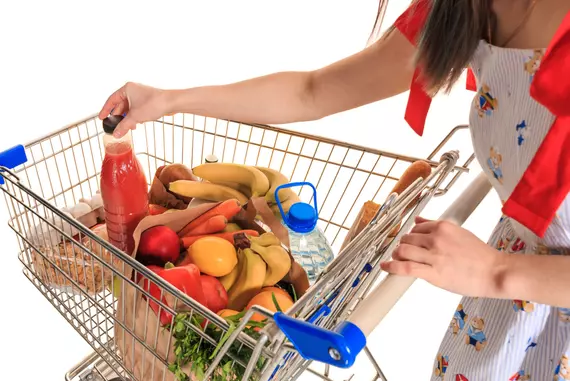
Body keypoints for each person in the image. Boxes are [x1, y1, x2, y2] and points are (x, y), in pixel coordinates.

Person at [99, 0, 570, 379]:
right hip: (508, 320)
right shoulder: (467, 9)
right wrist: (170, 100)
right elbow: (314, 91)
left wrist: (497, 271)